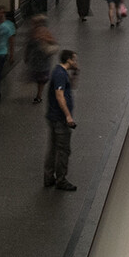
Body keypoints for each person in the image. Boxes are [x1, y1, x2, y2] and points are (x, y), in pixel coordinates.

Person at [44, 49, 79, 191]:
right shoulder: (59, 74)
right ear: (68, 60)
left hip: (54, 117)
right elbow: (60, 96)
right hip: (60, 119)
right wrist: (68, 116)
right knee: (63, 150)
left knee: (52, 149)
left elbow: (72, 86)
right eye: (74, 59)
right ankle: (61, 180)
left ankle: (48, 177)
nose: (75, 62)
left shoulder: (61, 73)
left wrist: (76, 73)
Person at [24, 15, 58, 103]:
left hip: (43, 59)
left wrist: (44, 39)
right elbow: (29, 45)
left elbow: (53, 42)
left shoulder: (44, 32)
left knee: (41, 78)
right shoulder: (32, 32)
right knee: (38, 76)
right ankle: (39, 92)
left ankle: (39, 95)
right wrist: (27, 55)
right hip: (36, 59)